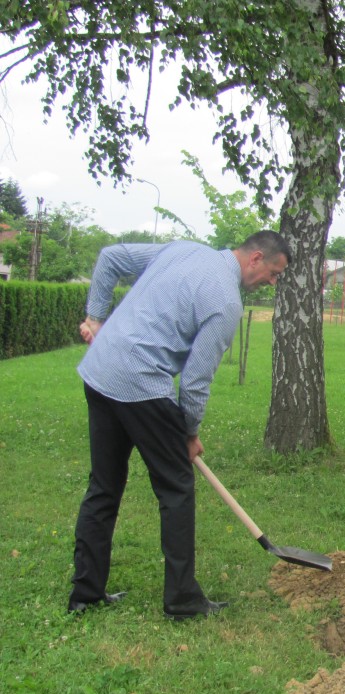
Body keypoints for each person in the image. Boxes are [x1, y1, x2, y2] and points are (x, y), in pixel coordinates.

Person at [68, 231, 291, 620]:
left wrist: (96, 317)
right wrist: (188, 433)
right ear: (256, 258)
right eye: (273, 274)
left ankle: (85, 595)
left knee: (103, 486)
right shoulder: (226, 302)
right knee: (176, 489)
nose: (272, 284)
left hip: (100, 373)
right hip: (140, 382)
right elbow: (194, 381)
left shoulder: (184, 250)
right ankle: (183, 602)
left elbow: (109, 258)